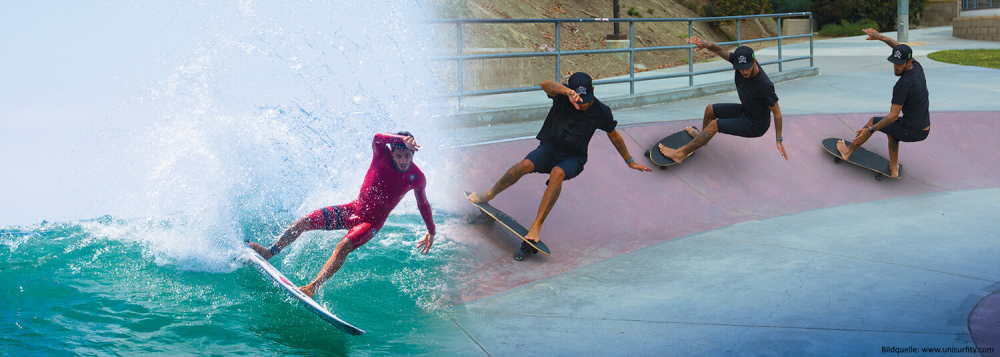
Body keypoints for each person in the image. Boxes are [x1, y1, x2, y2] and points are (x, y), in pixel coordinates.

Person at [468, 72, 651, 247]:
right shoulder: (562, 96)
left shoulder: (601, 111)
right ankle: (489, 194)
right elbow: (545, 85)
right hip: (549, 149)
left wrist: (629, 161)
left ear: (592, 93)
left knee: (558, 173)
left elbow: (615, 136)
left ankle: (536, 226)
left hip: (574, 157)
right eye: (578, 101)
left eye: (585, 102)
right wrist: (567, 92)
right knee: (524, 165)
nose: (581, 106)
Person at [248, 132, 435, 297]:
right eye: (399, 155)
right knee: (304, 222)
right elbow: (378, 138)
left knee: (342, 246)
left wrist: (431, 231)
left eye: (408, 156)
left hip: (371, 223)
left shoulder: (416, 177)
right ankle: (269, 252)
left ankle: (312, 287)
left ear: (413, 154)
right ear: (392, 153)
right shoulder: (381, 156)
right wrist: (401, 139)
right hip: (352, 210)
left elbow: (423, 204)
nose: (404, 160)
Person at [657, 38, 788, 163]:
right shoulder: (738, 63)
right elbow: (720, 51)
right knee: (710, 110)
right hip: (746, 110)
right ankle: (702, 138)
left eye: (747, 67)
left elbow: (777, 113)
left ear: (754, 62)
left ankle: (680, 154)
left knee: (715, 125)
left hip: (756, 125)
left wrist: (778, 139)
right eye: (740, 68)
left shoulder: (764, 85)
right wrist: (708, 45)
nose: (744, 72)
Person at [835, 29, 930, 178]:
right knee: (892, 133)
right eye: (894, 63)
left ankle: (847, 152)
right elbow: (898, 47)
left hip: (912, 130)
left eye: (899, 64)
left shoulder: (903, 84)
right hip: (923, 127)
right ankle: (894, 169)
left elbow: (892, 116)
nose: (896, 67)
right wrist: (880, 37)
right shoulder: (917, 67)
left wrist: (871, 129)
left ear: (908, 62)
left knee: (875, 121)